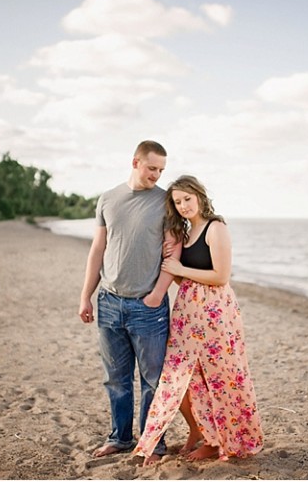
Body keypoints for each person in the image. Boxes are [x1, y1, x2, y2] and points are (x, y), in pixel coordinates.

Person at [133, 175, 263, 464]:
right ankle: (203, 433)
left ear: (200, 197)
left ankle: (221, 442)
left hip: (217, 314)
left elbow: (220, 276)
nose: (183, 206)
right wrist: (174, 269)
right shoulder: (187, 232)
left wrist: (180, 268)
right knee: (186, 377)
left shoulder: (215, 229)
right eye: (177, 202)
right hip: (188, 312)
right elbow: (188, 281)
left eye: (187, 199)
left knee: (220, 377)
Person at [78, 140, 179, 461]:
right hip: (109, 302)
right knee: (116, 379)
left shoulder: (166, 202)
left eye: (161, 170)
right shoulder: (108, 199)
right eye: (152, 168)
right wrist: (86, 297)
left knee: (152, 380)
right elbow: (98, 250)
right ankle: (119, 438)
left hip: (148, 308)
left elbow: (173, 250)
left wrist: (158, 293)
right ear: (135, 162)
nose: (156, 175)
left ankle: (152, 444)